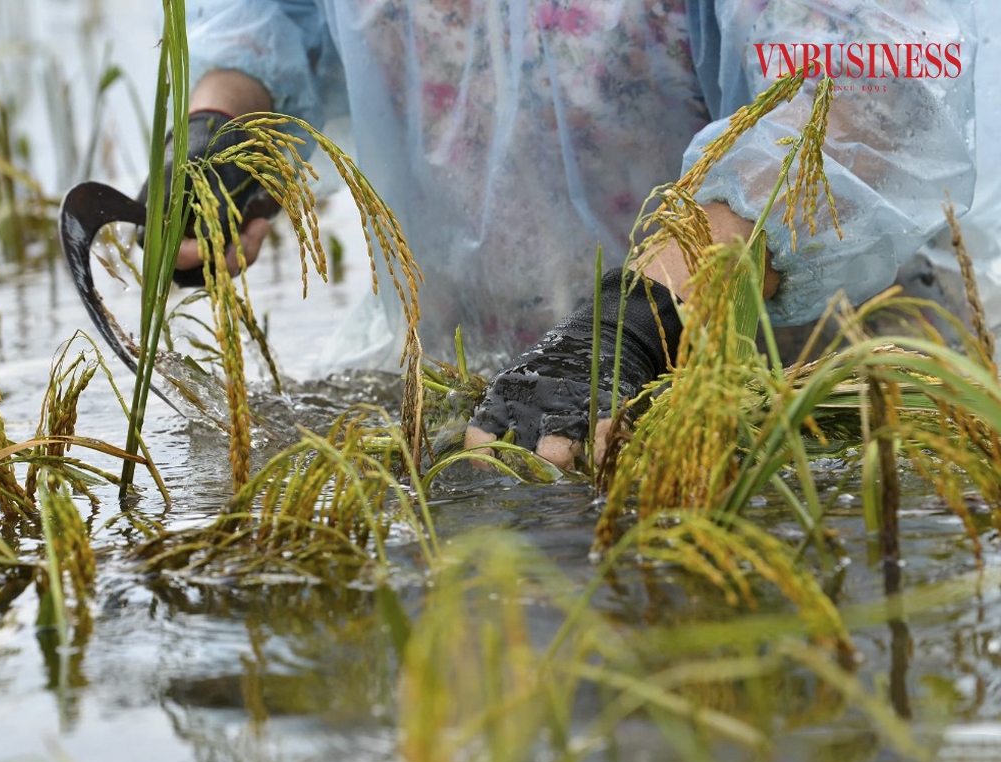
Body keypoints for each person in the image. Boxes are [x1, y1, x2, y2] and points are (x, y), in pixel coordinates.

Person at [158, 0, 982, 471]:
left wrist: (646, 315)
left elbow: (873, 99)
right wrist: (223, 130)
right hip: (470, 376)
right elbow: (279, 19)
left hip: (795, 372)